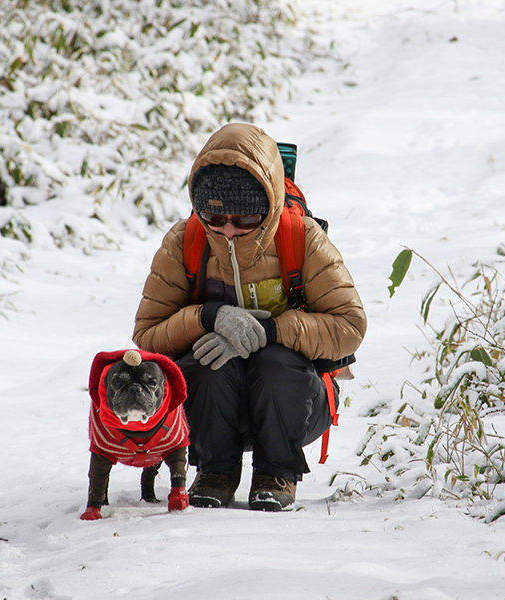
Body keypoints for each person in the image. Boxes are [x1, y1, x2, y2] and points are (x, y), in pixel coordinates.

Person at [132, 123, 366, 511]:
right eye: (214, 218)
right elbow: (147, 334)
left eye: (244, 220)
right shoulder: (183, 243)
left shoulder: (303, 239)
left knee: (275, 362)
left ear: (269, 205)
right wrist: (209, 317)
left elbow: (350, 326)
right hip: (214, 401)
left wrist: (272, 330)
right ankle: (215, 470)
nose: (228, 231)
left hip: (297, 399)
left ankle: (278, 471)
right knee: (207, 363)